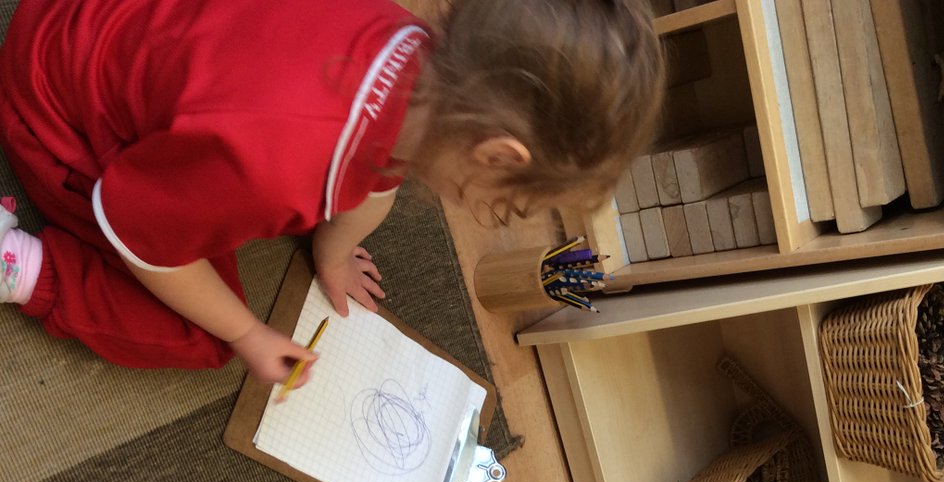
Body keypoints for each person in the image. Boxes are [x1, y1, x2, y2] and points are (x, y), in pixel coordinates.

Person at [0, 0, 664, 385]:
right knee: (196, 333)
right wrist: (248, 334)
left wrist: (333, 252)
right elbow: (136, 234)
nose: (502, 215)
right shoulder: (274, 165)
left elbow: (379, 179)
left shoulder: (406, 40)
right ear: (495, 155)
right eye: (514, 201)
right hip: (52, 107)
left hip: (109, 21)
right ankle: (17, 266)